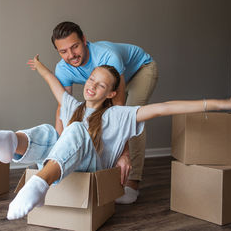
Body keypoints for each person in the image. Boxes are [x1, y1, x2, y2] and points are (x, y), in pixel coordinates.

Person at [0, 54, 231, 220]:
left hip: (93, 171)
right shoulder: (72, 106)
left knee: (74, 129)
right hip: (65, 162)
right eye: (91, 80)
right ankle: (10, 142)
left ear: (111, 93)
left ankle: (40, 183)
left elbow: (165, 108)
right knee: (47, 130)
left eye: (101, 85)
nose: (92, 86)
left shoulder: (119, 116)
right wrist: (41, 67)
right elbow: (55, 85)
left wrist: (222, 103)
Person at [51, 21, 158, 203]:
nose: (71, 55)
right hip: (108, 81)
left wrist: (124, 154)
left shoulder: (107, 56)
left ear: (84, 40)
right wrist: (58, 150)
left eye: (75, 46)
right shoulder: (62, 68)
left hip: (141, 70)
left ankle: (132, 182)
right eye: (63, 51)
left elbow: (119, 109)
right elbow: (63, 108)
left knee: (132, 119)